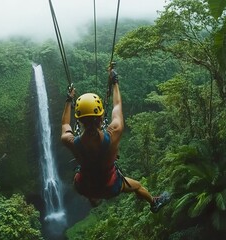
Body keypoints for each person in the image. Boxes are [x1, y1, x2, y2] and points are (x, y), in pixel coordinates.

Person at [60, 64, 170, 213]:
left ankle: (93, 197)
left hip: (84, 187)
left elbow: (65, 123)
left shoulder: (69, 141)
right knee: (137, 186)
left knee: (85, 176)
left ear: (79, 120)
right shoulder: (115, 132)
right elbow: (117, 105)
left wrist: (69, 99)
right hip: (110, 187)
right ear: (100, 117)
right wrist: (115, 81)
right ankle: (154, 203)